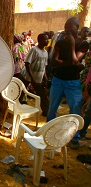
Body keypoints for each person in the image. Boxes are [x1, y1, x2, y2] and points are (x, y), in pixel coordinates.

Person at [46, 17, 89, 149]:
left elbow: (76, 60)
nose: (68, 29)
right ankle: (48, 133)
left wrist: (71, 46)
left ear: (77, 26)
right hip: (58, 80)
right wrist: (71, 63)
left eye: (71, 26)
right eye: (66, 27)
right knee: (52, 108)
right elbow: (53, 61)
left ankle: (74, 138)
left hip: (73, 82)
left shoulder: (83, 43)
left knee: (75, 109)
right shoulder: (60, 42)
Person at [20, 33, 49, 116]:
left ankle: (46, 112)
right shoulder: (34, 50)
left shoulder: (45, 52)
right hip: (27, 76)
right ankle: (16, 108)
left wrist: (45, 77)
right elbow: (27, 63)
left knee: (43, 94)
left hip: (38, 78)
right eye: (45, 39)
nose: (47, 41)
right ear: (40, 40)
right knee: (21, 93)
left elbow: (44, 66)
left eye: (47, 39)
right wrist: (32, 78)